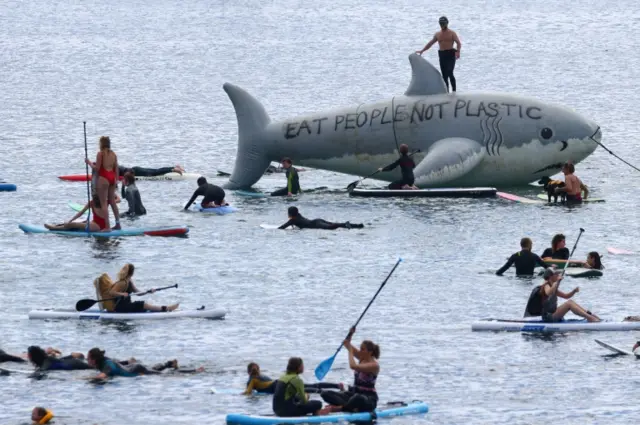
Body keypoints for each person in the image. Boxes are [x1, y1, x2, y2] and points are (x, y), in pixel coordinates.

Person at [319, 327, 380, 414]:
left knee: (358, 398)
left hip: (368, 399)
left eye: (363, 349)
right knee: (325, 393)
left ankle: (338, 408)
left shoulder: (374, 365)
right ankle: (351, 407)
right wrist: (351, 333)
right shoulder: (362, 357)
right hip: (353, 394)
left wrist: (350, 351)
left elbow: (353, 366)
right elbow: (346, 343)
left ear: (370, 352)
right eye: (360, 348)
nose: (360, 351)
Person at [527, 268, 600, 322]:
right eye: (556, 274)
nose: (558, 275)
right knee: (569, 304)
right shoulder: (545, 285)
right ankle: (590, 318)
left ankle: (590, 315)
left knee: (570, 301)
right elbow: (549, 292)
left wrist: (573, 291)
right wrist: (557, 282)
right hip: (548, 317)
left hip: (553, 313)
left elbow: (566, 296)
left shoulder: (553, 286)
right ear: (551, 277)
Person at [86, 348, 202, 381]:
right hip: (131, 367)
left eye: (88, 358)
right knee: (152, 369)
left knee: (162, 375)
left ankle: (195, 370)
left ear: (94, 359)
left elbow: (102, 376)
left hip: (135, 370)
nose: (87, 360)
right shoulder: (103, 361)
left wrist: (83, 378)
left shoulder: (106, 364)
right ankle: (169, 363)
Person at [108, 263, 179, 313]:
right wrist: (122, 294)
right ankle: (166, 309)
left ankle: (162, 309)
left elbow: (138, 293)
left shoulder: (129, 281)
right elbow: (111, 292)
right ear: (132, 273)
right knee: (142, 304)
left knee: (144, 308)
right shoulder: (122, 282)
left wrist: (148, 291)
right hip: (120, 308)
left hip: (127, 305)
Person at [416, 16, 462, 92]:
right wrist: (422, 50)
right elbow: (430, 43)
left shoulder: (452, 33)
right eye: (441, 23)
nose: (442, 25)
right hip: (442, 55)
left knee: (450, 72)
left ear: (447, 23)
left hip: (450, 53)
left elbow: (458, 43)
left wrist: (458, 51)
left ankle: (454, 92)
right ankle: (446, 93)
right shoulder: (438, 34)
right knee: (444, 76)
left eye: (443, 23)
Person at [85, 136, 121, 229]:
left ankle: (107, 227)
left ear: (101, 144)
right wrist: (116, 181)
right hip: (112, 177)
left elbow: (97, 169)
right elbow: (116, 169)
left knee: (104, 203)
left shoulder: (100, 154)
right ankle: (118, 224)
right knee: (112, 202)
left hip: (104, 178)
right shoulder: (114, 154)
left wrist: (89, 163)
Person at [244, 362, 343, 395]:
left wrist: (243, 393)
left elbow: (248, 393)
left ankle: (323, 392)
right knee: (310, 386)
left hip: (278, 387)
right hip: (281, 381)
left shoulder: (251, 380)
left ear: (248, 372)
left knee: (304, 390)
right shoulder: (262, 375)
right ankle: (337, 386)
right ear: (259, 369)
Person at [45, 192, 109, 232]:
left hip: (97, 227)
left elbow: (118, 199)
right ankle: (57, 225)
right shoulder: (92, 202)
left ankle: (54, 228)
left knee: (73, 224)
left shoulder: (105, 202)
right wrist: (71, 219)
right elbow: (81, 213)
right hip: (93, 223)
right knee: (76, 222)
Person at [278, 207, 364, 230]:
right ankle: (357, 225)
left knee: (330, 227)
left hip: (316, 224)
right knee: (333, 224)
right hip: (317, 220)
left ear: (290, 213)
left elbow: (282, 227)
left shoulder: (293, 220)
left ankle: (346, 224)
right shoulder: (298, 215)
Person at [27, 346, 92, 371]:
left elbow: (43, 369)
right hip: (70, 362)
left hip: (74, 364)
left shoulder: (46, 361)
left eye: (29, 355)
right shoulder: (46, 359)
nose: (28, 357)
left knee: (93, 368)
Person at [120, 164, 185, 177]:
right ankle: (174, 167)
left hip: (136, 172)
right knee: (156, 170)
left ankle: (173, 169)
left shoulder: (115, 169)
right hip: (135, 169)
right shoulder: (116, 166)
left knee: (155, 173)